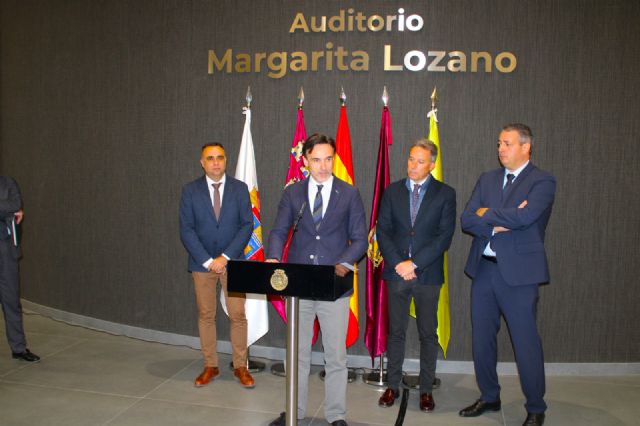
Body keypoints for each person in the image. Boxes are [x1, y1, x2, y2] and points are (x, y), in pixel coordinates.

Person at [267, 133, 367, 426]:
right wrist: (273, 258)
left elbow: (360, 238)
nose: (323, 166)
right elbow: (278, 231)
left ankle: (336, 416)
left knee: (336, 356)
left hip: (333, 285)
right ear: (305, 160)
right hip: (299, 284)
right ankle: (294, 411)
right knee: (297, 354)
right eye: (316, 159)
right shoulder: (293, 193)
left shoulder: (349, 193)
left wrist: (344, 263)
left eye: (328, 159)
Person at [459, 124, 556, 426]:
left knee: (525, 342)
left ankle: (536, 406)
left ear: (526, 146)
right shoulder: (487, 179)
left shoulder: (542, 181)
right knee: (482, 339)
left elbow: (527, 217)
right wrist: (500, 219)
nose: (500, 149)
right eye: (499, 143)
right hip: (485, 271)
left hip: (520, 276)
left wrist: (486, 213)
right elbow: (466, 218)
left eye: (508, 143)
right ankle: (489, 396)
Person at [375, 139, 456, 412]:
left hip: (427, 275)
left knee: (427, 334)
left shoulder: (445, 194)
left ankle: (425, 389)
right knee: (396, 332)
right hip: (396, 273)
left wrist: (415, 264)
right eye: (411, 159)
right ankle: (392, 385)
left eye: (420, 161)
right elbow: (382, 230)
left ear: (432, 165)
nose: (413, 165)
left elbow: (443, 237)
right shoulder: (392, 191)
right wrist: (399, 263)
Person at [179, 143, 255, 388]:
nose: (215, 162)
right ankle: (210, 365)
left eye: (220, 157)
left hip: (233, 263)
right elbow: (186, 230)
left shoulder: (240, 189)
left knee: (238, 315)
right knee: (206, 315)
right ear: (202, 162)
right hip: (202, 264)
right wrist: (209, 261)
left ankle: (241, 367)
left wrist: (225, 257)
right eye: (210, 158)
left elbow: (246, 225)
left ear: (226, 160)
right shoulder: (190, 191)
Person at [0, 176, 40, 362]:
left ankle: (19, 347)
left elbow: (14, 204)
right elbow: (8, 208)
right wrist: (5, 208)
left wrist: (10, 209)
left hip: (6, 251)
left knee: (11, 300)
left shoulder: (8, 183)